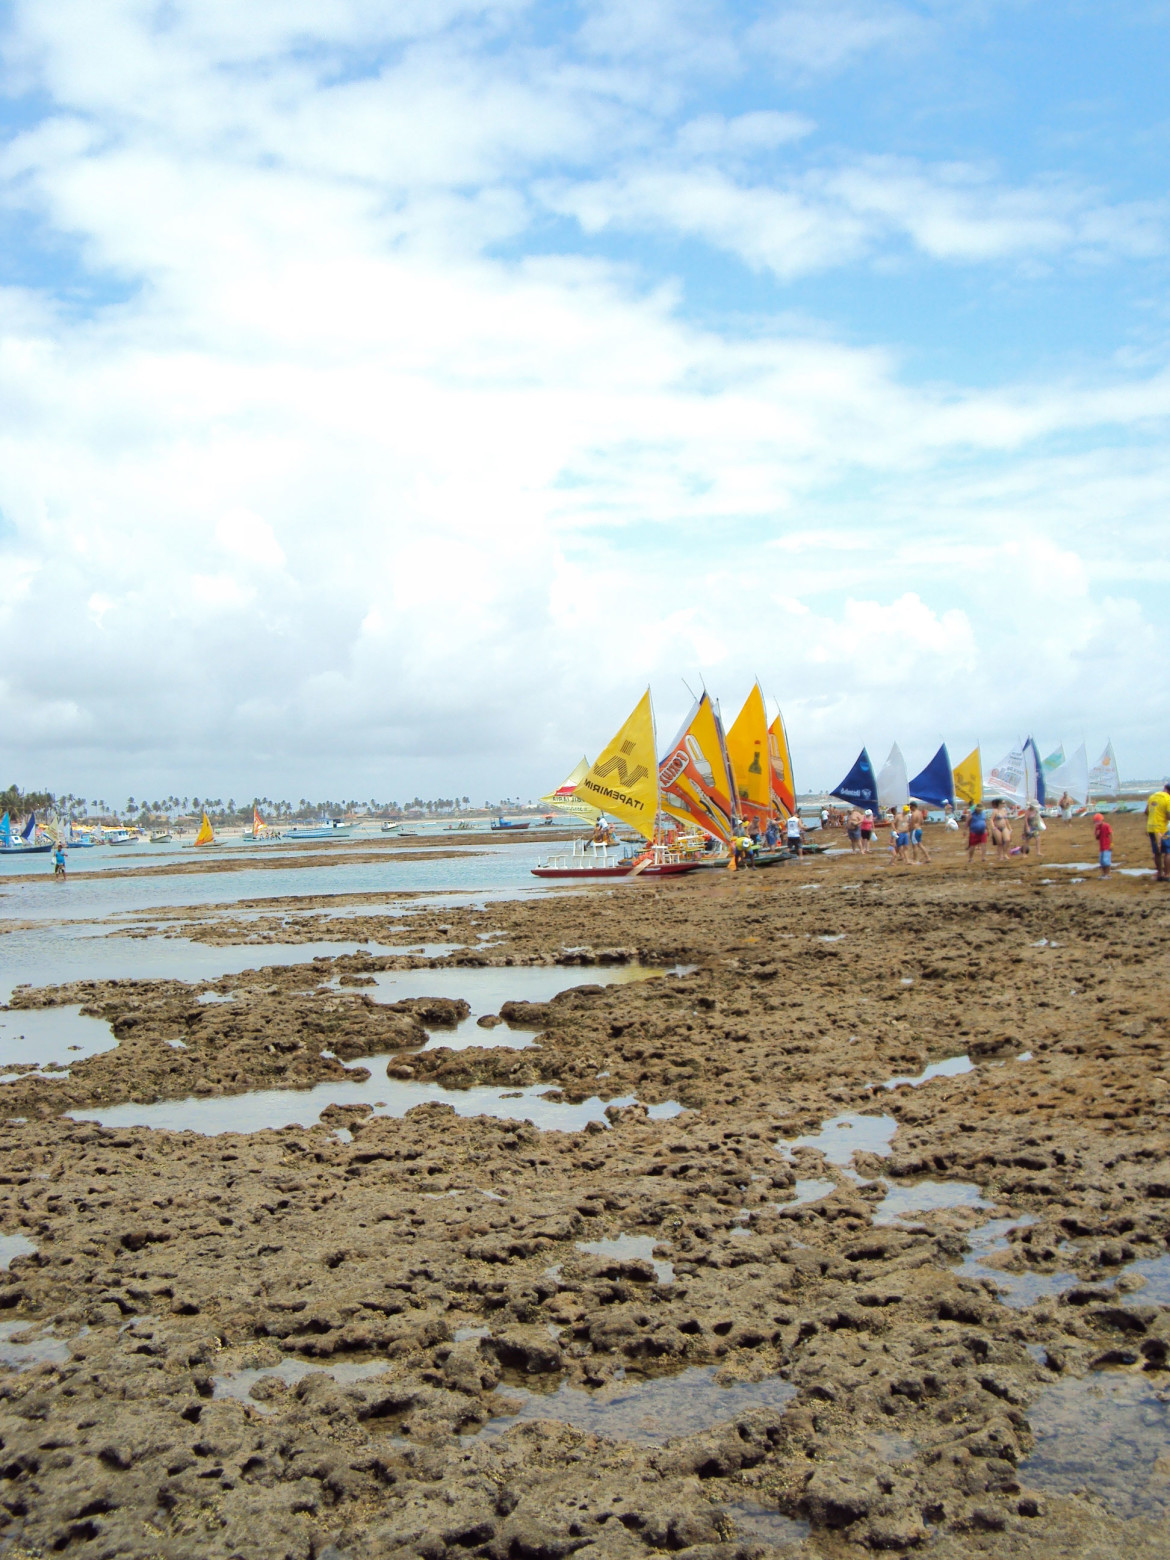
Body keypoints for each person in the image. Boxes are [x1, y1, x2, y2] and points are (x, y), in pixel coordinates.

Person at [1146, 783, 1170, 882]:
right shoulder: (1168, 799)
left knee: (1157, 852)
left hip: (1151, 828)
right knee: (1168, 852)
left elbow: (1146, 811)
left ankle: (1159, 873)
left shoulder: (1152, 796)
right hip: (1162, 829)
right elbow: (1169, 816)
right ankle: (1167, 874)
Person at [1093, 812, 1113, 878]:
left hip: (1107, 846)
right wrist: (1097, 834)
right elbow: (1097, 838)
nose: (1097, 823)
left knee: (1106, 861)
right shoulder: (1097, 827)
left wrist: (1111, 844)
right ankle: (1104, 874)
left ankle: (1108, 874)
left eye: (1098, 821)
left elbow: (1110, 834)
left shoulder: (1106, 826)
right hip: (1101, 847)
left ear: (1102, 820)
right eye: (1096, 822)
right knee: (1102, 861)